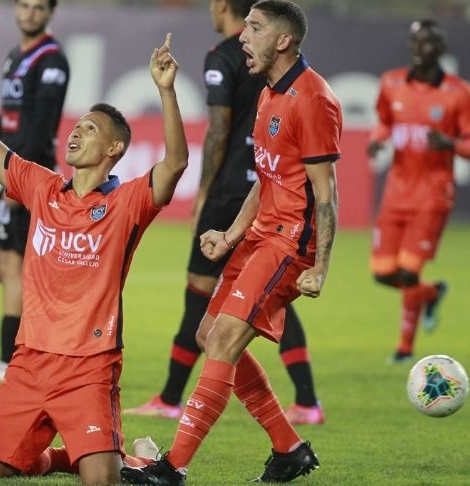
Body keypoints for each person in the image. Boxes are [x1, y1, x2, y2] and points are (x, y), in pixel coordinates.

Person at [121, 1, 341, 483]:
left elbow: (325, 192)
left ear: (283, 40)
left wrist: (320, 265)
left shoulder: (313, 98)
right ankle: (289, 448)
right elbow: (266, 178)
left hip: (289, 243)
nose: (243, 35)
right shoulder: (267, 93)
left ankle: (172, 467)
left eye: (256, 28)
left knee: (221, 340)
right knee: (207, 334)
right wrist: (231, 234)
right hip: (260, 234)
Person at [0, 12, 189, 485]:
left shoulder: (127, 203)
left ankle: (127, 461)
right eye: (77, 126)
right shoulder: (41, 187)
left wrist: (166, 91)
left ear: (116, 148)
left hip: (89, 366)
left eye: (90, 129)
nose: (75, 132)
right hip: (29, 359)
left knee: (102, 481)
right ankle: (72, 455)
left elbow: (175, 163)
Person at [0, 0, 70, 382]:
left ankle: (9, 360)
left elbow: (43, 125)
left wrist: (22, 182)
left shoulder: (52, 61)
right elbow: (6, 113)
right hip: (2, 168)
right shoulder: (11, 56)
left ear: (50, 13)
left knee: (13, 266)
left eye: (39, 7)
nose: (30, 13)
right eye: (24, 5)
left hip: (24, 174)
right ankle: (24, 350)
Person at [367, 19, 470, 364]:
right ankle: (432, 293)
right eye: (415, 42)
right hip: (396, 193)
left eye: (428, 43)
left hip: (432, 194)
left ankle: (404, 349)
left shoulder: (459, 93)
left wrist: (451, 143)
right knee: (383, 273)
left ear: (440, 50)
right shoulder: (391, 83)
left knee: (408, 272)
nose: (420, 49)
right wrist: (377, 141)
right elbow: (384, 122)